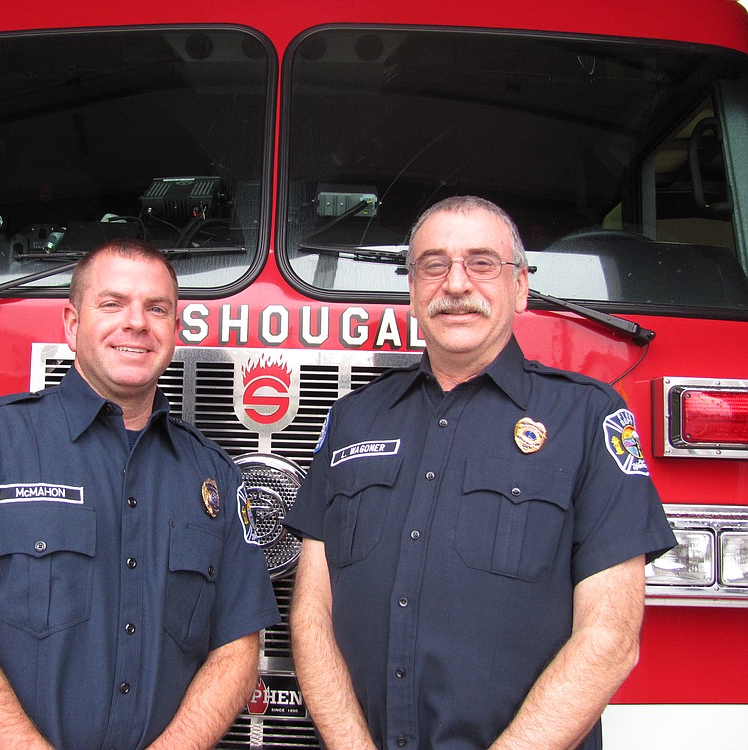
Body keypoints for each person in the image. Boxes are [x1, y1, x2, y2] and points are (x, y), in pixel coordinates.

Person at [284, 196, 676, 750]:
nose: (457, 284)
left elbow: (610, 637)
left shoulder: (589, 417)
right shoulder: (352, 418)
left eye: (483, 263)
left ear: (520, 287)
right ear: (414, 291)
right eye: (434, 265)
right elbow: (311, 613)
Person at [0, 238, 280, 749]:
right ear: (72, 326)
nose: (136, 323)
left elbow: (237, 652)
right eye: (112, 304)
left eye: (156, 309)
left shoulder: (216, 477)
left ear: (174, 332)